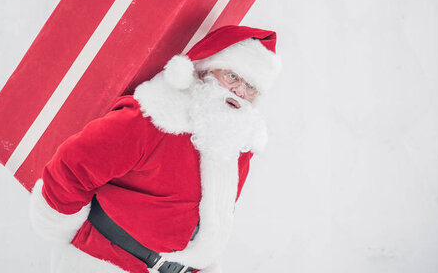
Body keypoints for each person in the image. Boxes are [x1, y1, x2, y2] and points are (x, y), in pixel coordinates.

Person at [29, 25, 281, 273]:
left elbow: (206, 217)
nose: (239, 91)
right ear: (206, 70)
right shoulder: (154, 116)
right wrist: (62, 226)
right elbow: (71, 167)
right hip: (105, 261)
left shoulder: (235, 141)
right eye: (232, 77)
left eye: (251, 87)